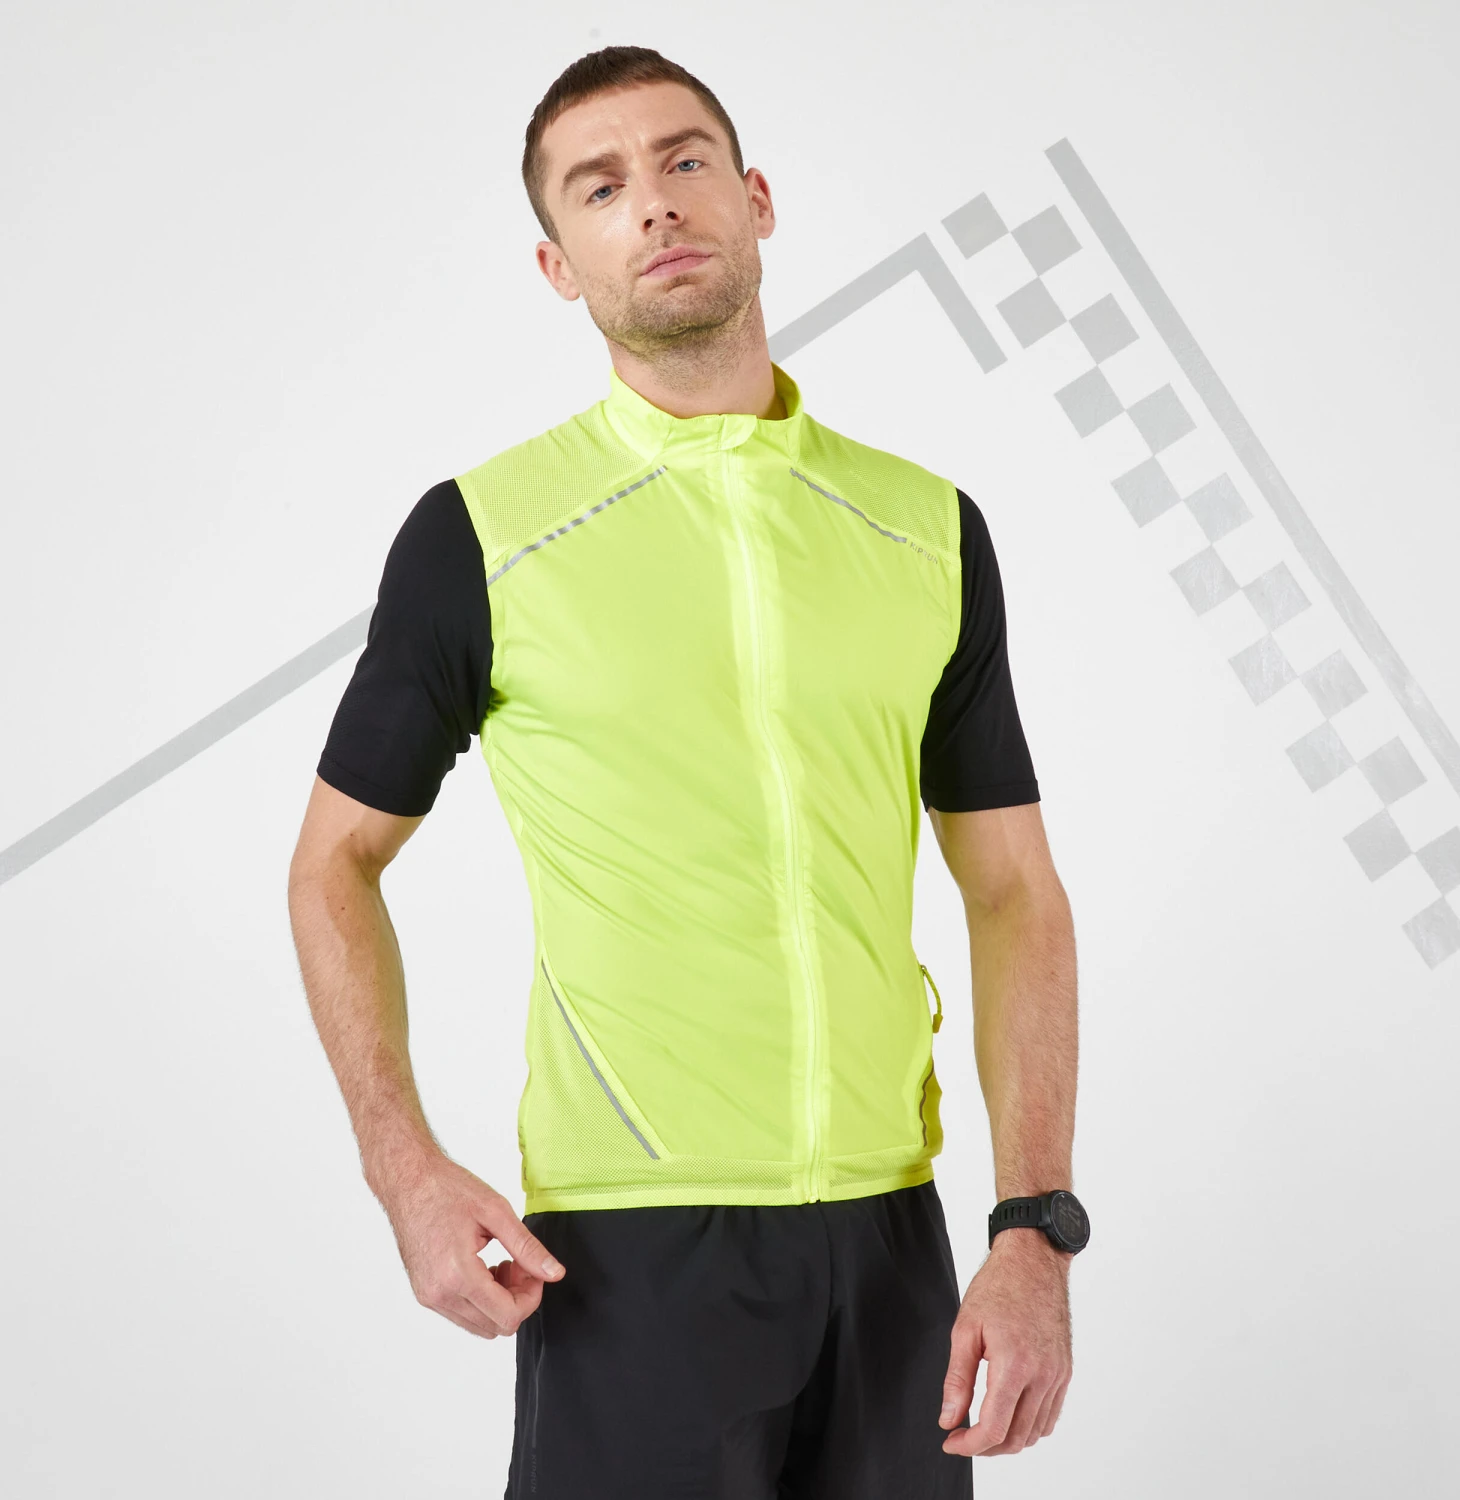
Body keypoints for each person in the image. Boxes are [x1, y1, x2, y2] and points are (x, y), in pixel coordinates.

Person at [287, 43, 1083, 1500]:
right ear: (558, 265)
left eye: (683, 160)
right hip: (631, 1250)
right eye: (600, 188)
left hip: (894, 1244)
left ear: (755, 198)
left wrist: (1033, 1223)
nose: (652, 203)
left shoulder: (926, 530)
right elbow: (333, 862)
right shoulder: (483, 534)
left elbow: (1014, 889)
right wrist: (402, 1168)